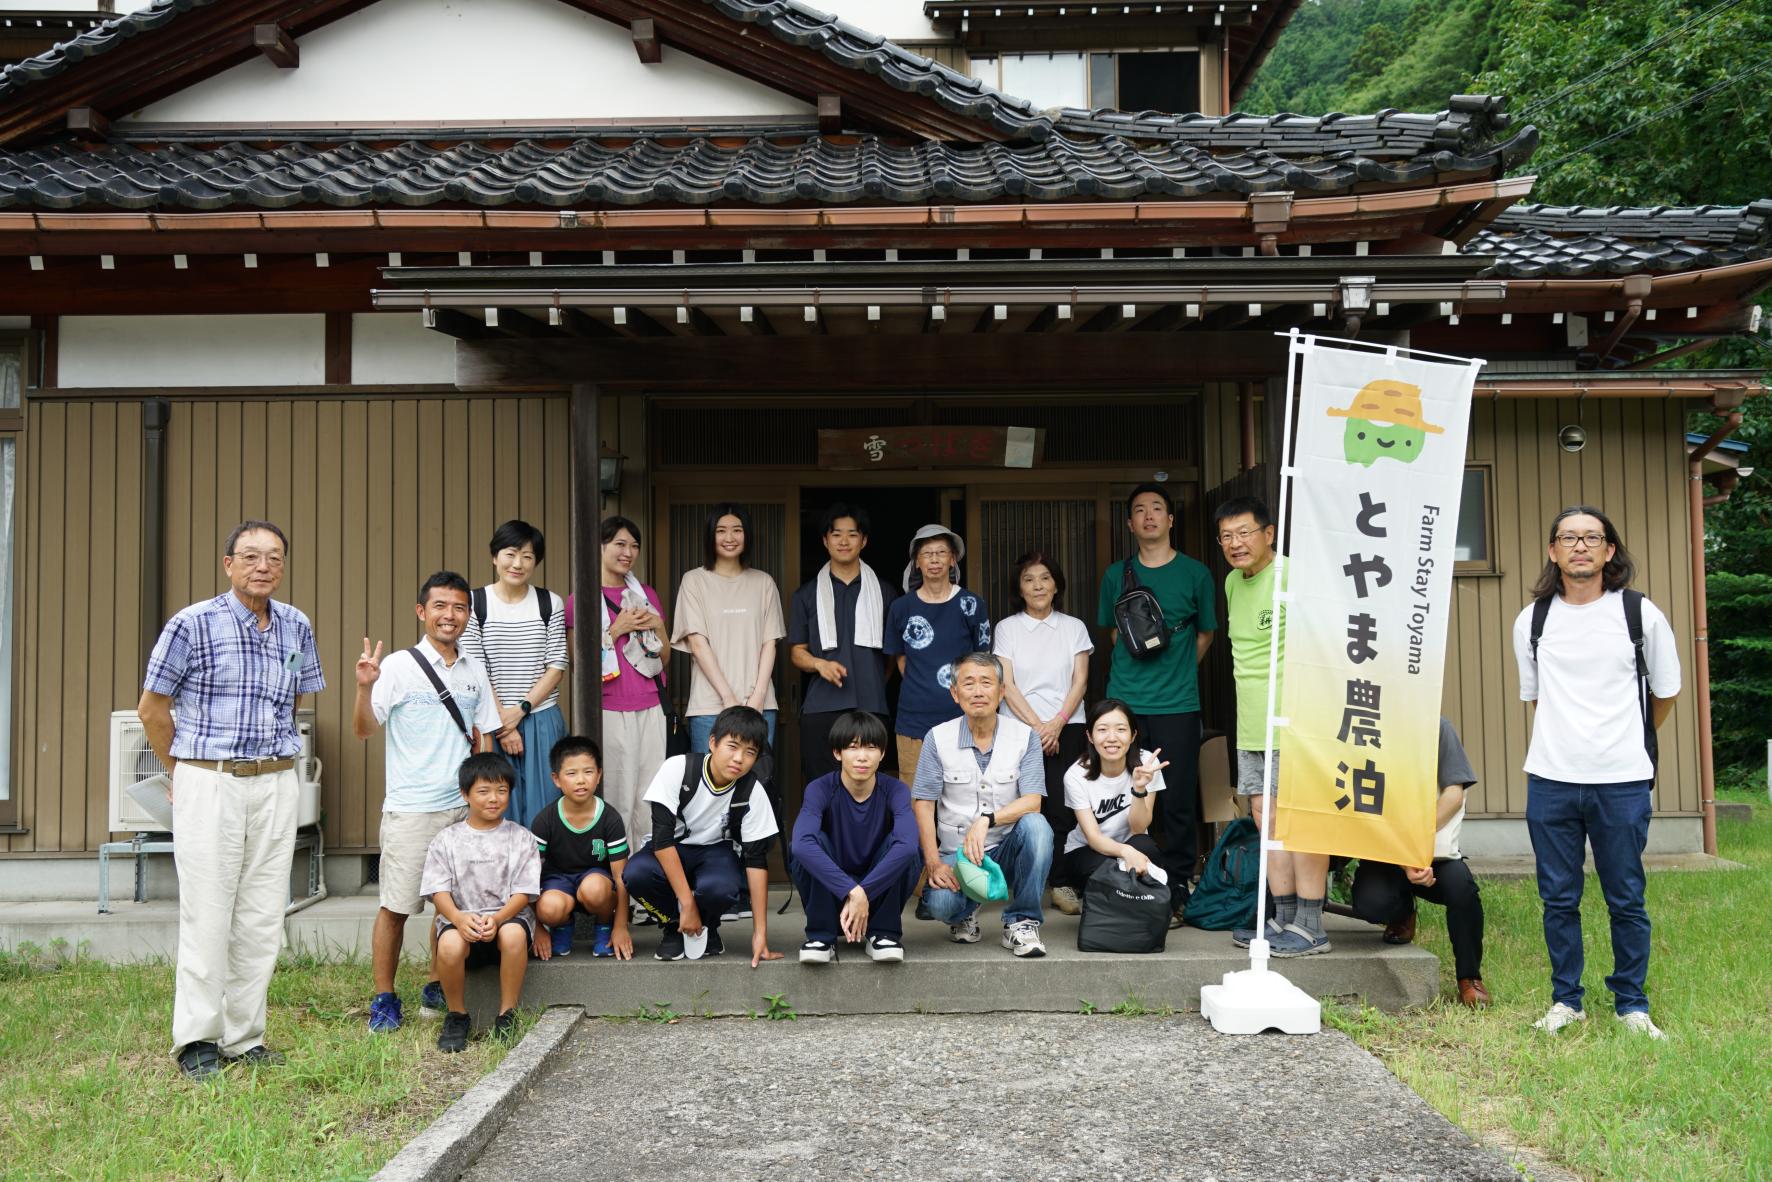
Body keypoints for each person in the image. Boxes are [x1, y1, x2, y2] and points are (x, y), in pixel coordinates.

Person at [138, 520, 325, 1080]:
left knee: (264, 914)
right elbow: (152, 710)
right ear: (228, 564)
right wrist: (182, 771)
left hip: (275, 781)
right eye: (249, 556)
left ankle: (246, 1037)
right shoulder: (192, 624)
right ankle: (197, 1039)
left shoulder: (296, 626)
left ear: (284, 565)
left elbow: (292, 697)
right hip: (208, 780)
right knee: (209, 911)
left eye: (273, 556)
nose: (262, 565)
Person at [1512, 506, 1680, 1039]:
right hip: (1551, 779)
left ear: (1610, 551)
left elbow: (1666, 693)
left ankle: (1632, 1005)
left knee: (1625, 897)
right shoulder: (1532, 619)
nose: (1580, 546)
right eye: (1569, 537)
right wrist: (1570, 742)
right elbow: (1537, 698)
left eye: (1592, 537)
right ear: (1553, 551)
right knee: (1558, 897)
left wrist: (1623, 736)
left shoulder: (1639, 614)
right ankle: (1567, 1001)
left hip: (1622, 780)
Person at [352, 571, 502, 1035]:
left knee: (450, 904)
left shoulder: (475, 669)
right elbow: (362, 729)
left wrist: (489, 801)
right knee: (397, 906)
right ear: (422, 611)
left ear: (467, 616)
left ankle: (436, 983)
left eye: (459, 607)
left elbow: (486, 738)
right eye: (440, 606)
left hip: (461, 808)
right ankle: (384, 997)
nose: (449, 615)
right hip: (411, 808)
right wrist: (363, 687)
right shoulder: (396, 666)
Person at [1097, 483, 1215, 917]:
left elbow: (1205, 633)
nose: (1149, 516)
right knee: (1122, 794)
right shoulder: (1116, 574)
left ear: (1170, 519)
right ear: (1130, 524)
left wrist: (1178, 670)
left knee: (1179, 799)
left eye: (1157, 509)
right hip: (1125, 705)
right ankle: (1126, 878)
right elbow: (1113, 634)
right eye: (1140, 511)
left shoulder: (1196, 573)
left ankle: (1179, 884)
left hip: (1179, 704)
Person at [1218, 496, 1327, 956]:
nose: (1235, 544)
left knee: (1303, 822)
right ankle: (1283, 918)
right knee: (1269, 821)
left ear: (1269, 534)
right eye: (1226, 536)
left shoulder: (1294, 576)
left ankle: (1311, 925)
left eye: (1244, 533)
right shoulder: (1230, 583)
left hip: (1296, 720)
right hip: (1251, 724)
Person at [912, 652, 1053, 957]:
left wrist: (988, 819)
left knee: (1037, 827)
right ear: (954, 693)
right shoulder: (937, 738)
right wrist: (933, 862)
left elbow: (1033, 801)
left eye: (987, 682)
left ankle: (1022, 921)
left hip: (1007, 850)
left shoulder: (1025, 736)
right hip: (959, 856)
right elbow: (923, 803)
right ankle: (965, 912)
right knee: (940, 904)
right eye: (969, 683)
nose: (978, 691)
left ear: (1002, 691)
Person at [622, 706, 783, 966]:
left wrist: (760, 934)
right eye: (732, 746)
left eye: (750, 752)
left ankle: (708, 926)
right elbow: (662, 841)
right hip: (671, 847)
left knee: (721, 889)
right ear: (712, 742)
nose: (739, 758)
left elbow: (756, 862)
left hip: (715, 852)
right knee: (636, 874)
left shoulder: (752, 790)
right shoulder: (678, 768)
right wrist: (686, 905)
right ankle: (672, 926)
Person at [1351, 718, 1489, 1008]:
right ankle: (1403, 911)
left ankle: (1469, 977)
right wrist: (1405, 860)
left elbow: (1454, 793)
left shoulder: (1436, 725)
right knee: (1371, 903)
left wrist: (1416, 842)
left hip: (1431, 847)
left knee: (1462, 891)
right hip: (1385, 850)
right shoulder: (1362, 724)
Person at [992, 550, 1092, 912]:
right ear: (1019, 588)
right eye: (1029, 579)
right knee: (1022, 806)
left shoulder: (1073, 627)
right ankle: (1019, 880)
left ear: (1056, 585)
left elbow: (1080, 680)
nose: (1037, 585)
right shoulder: (1007, 628)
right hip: (1020, 729)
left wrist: (1057, 724)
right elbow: (1008, 683)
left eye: (1045, 578)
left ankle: (1062, 884)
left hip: (1067, 725)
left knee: (1064, 809)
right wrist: (1037, 727)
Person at [421, 752, 541, 1052]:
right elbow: (438, 891)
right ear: (466, 794)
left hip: (507, 921)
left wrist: (498, 919)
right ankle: (457, 1015)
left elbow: (524, 893)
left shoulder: (521, 838)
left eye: (501, 791)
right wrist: (459, 919)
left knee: (513, 933)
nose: (494, 799)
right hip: (461, 922)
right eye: (484, 791)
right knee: (448, 945)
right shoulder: (446, 839)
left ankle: (507, 1013)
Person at [459, 519, 569, 826]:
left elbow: (557, 665)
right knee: (494, 804)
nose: (517, 563)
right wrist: (503, 725)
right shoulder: (475, 602)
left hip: (540, 716)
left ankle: (543, 873)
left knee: (545, 804)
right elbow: (475, 668)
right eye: (510, 553)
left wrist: (519, 711)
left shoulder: (549, 603)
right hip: (490, 719)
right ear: (495, 557)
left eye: (528, 556)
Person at [790, 710, 921, 964]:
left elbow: (907, 845)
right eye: (852, 747)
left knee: (910, 850)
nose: (862, 757)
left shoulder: (895, 790)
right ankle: (821, 935)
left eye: (871, 747)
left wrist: (863, 893)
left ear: (882, 754)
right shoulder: (819, 789)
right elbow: (802, 845)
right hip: (833, 894)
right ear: (837, 753)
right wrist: (851, 891)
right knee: (807, 845)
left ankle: (883, 933)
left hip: (877, 893)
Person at [788, 504, 894, 786]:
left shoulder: (884, 592)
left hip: (872, 705)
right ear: (825, 540)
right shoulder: (807, 594)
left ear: (864, 540)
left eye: (852, 534)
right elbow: (796, 652)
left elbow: (892, 657)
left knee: (868, 788)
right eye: (836, 534)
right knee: (821, 786)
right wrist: (819, 663)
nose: (844, 541)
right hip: (822, 708)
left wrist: (871, 680)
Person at [672, 503, 785, 751]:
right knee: (709, 785)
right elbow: (698, 644)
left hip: (759, 707)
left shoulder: (764, 582)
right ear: (710, 535)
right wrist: (728, 698)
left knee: (755, 782)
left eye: (737, 530)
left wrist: (758, 696)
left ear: (747, 535)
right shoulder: (694, 581)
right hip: (709, 706)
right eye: (721, 530)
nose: (729, 538)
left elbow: (770, 643)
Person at [588, 515, 670, 849]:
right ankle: (619, 879)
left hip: (650, 703)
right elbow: (582, 665)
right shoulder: (583, 599)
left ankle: (646, 878)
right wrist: (617, 630)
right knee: (618, 795)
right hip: (610, 707)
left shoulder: (645, 594)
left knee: (650, 795)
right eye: (620, 544)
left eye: (634, 546)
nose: (628, 552)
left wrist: (658, 626)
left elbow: (664, 658)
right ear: (601, 546)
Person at [885, 525, 990, 776]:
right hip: (914, 717)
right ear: (916, 562)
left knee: (966, 792)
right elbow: (900, 657)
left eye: (941, 552)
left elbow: (983, 658)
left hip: (965, 716)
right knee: (915, 793)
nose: (934, 559)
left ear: (952, 559)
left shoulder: (972, 604)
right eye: (927, 553)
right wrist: (921, 684)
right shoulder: (901, 608)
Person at [530, 735, 632, 961]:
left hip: (597, 883)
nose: (580, 780)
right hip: (557, 882)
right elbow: (528, 876)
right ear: (556, 779)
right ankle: (563, 926)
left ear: (599, 775)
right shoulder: (545, 820)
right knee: (549, 908)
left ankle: (604, 926)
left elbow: (621, 876)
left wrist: (621, 926)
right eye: (571, 773)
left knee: (595, 889)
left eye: (588, 772)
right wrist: (536, 927)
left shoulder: (609, 818)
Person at [1062, 699, 1169, 888]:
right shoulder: (1076, 774)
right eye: (1102, 730)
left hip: (1134, 843)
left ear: (1133, 735)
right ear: (1090, 736)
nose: (1112, 738)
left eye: (1121, 729)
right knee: (1105, 869)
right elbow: (1094, 838)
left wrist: (1139, 789)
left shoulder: (1147, 763)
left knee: (1147, 847)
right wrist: (1126, 853)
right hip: (1087, 850)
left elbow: (1138, 828)